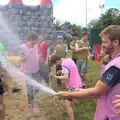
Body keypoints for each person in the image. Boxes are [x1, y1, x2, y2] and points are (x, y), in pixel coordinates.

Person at [56, 25, 120, 120]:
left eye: (104, 42)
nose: (101, 45)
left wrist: (66, 95)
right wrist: (82, 91)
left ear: (115, 42)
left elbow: (96, 92)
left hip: (111, 115)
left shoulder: (115, 65)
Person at [50, 55, 82, 120]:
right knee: (70, 100)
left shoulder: (64, 64)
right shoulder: (68, 60)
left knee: (67, 103)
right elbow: (70, 70)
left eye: (56, 63)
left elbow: (65, 77)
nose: (56, 65)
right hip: (77, 82)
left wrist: (56, 76)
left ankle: (71, 118)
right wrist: (61, 72)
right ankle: (73, 113)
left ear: (57, 61)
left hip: (73, 86)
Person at [19, 32, 40, 117]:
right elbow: (21, 59)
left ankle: (33, 98)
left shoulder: (36, 46)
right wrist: (28, 53)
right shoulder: (22, 48)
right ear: (31, 39)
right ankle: (31, 109)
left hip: (36, 71)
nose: (35, 43)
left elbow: (37, 55)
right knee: (29, 90)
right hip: (27, 72)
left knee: (38, 87)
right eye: (35, 41)